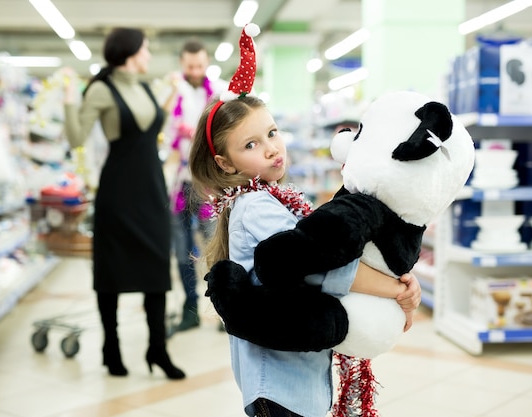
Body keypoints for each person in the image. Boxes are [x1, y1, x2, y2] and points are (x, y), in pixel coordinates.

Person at [188, 24, 420, 416]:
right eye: (251, 144)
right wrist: (394, 288)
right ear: (225, 163)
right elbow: (320, 268)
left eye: (272, 133)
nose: (271, 149)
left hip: (292, 377)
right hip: (279, 384)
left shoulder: (273, 199)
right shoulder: (255, 206)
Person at [63, 27, 185, 380]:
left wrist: (170, 95)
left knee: (157, 270)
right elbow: (76, 137)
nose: (149, 55)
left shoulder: (145, 89)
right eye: (146, 49)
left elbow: (149, 127)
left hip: (151, 191)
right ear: (131, 52)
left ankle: (157, 348)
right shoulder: (102, 89)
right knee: (111, 273)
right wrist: (71, 97)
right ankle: (110, 347)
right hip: (118, 193)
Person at [162, 38, 228, 332]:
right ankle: (189, 310)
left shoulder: (219, 93)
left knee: (217, 246)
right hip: (180, 182)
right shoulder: (172, 91)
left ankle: (226, 309)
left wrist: (200, 128)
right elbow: (161, 128)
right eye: (190, 65)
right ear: (182, 64)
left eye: (200, 65)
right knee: (181, 250)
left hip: (210, 182)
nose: (195, 70)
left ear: (206, 64)